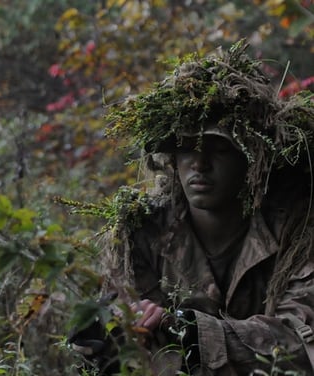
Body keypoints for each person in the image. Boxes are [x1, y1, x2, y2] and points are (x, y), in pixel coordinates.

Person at [69, 41, 314, 375]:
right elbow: (129, 342)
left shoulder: (297, 229)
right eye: (185, 149)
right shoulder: (142, 232)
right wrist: (109, 338)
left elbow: (299, 341)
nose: (199, 164)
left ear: (250, 160)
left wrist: (192, 331)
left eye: (219, 149)